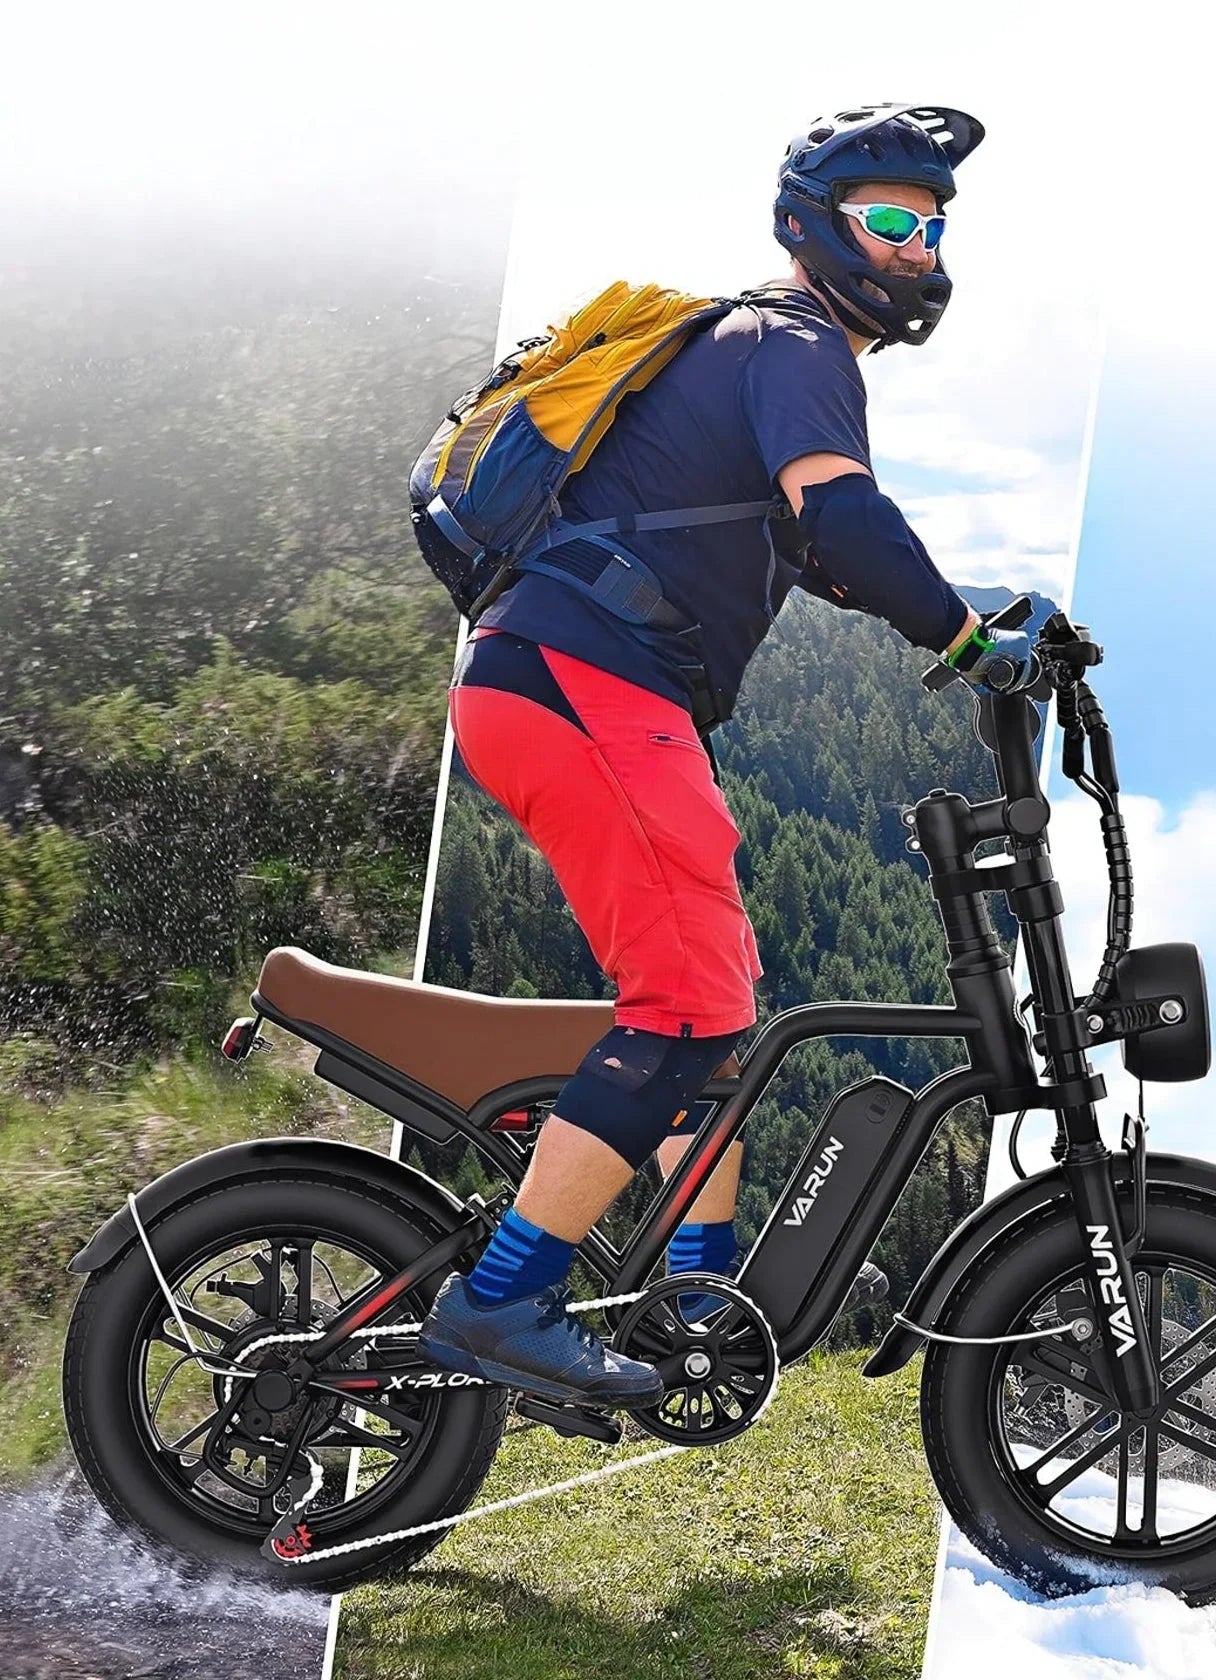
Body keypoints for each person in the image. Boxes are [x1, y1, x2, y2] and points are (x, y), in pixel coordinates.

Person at [418, 105, 1004, 1408]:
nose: (919, 248)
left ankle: (693, 1294)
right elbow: (840, 515)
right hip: (587, 683)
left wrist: (970, 613)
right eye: (892, 221)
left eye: (934, 223)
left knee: (718, 1002)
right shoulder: (796, 343)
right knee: (686, 1006)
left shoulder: (749, 346)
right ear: (815, 228)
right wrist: (970, 648)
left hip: (579, 687)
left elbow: (808, 556)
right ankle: (504, 1297)